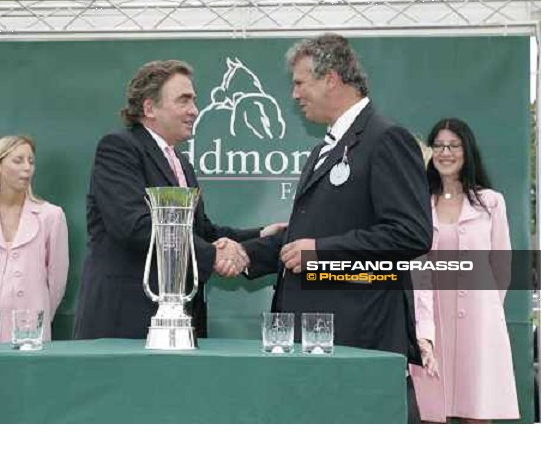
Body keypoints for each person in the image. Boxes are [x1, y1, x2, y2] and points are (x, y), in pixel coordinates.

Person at [234, 33, 433, 423]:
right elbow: (307, 237)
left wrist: (323, 251)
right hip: (315, 339)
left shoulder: (386, 139)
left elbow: (411, 232)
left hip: (359, 334)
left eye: (299, 82)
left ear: (332, 79)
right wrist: (244, 252)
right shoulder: (324, 147)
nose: (294, 94)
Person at [74, 59, 285, 340]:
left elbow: (201, 231)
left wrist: (257, 235)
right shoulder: (119, 149)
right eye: (184, 101)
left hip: (179, 321)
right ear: (150, 108)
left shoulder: (181, 162)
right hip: (126, 319)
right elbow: (135, 226)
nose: (194, 111)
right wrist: (215, 255)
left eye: (194, 101)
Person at [410, 118, 519, 422]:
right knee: (431, 413)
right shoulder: (419, 204)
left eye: (454, 145)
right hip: (430, 321)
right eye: (439, 145)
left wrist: (486, 308)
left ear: (467, 151)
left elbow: (502, 265)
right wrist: (423, 327)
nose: (446, 152)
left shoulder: (491, 202)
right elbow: (416, 267)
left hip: (480, 322)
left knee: (478, 411)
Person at [0, 135, 69, 344]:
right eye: (18, 161)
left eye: (31, 161)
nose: (27, 168)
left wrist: (37, 315)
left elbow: (56, 281)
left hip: (29, 334)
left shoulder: (51, 216)